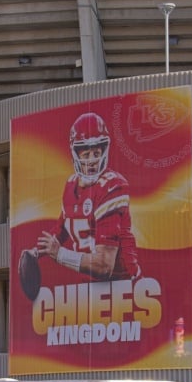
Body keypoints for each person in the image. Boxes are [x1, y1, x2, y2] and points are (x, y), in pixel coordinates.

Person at [36, 112, 141, 281]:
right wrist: (35, 252)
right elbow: (62, 229)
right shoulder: (71, 184)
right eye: (86, 155)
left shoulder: (113, 186)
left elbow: (104, 265)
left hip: (123, 286)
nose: (92, 160)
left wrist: (60, 254)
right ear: (75, 155)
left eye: (97, 153)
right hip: (93, 287)